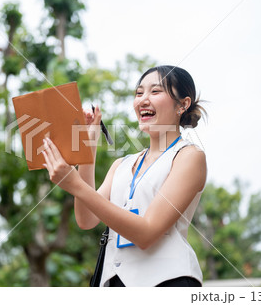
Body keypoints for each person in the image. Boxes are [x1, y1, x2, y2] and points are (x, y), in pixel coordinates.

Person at [41, 65, 207, 287]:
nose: (142, 100)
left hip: (168, 282)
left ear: (183, 104)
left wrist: (74, 184)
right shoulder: (122, 165)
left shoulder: (188, 156)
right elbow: (86, 219)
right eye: (139, 93)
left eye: (155, 92)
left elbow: (147, 233)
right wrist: (87, 147)